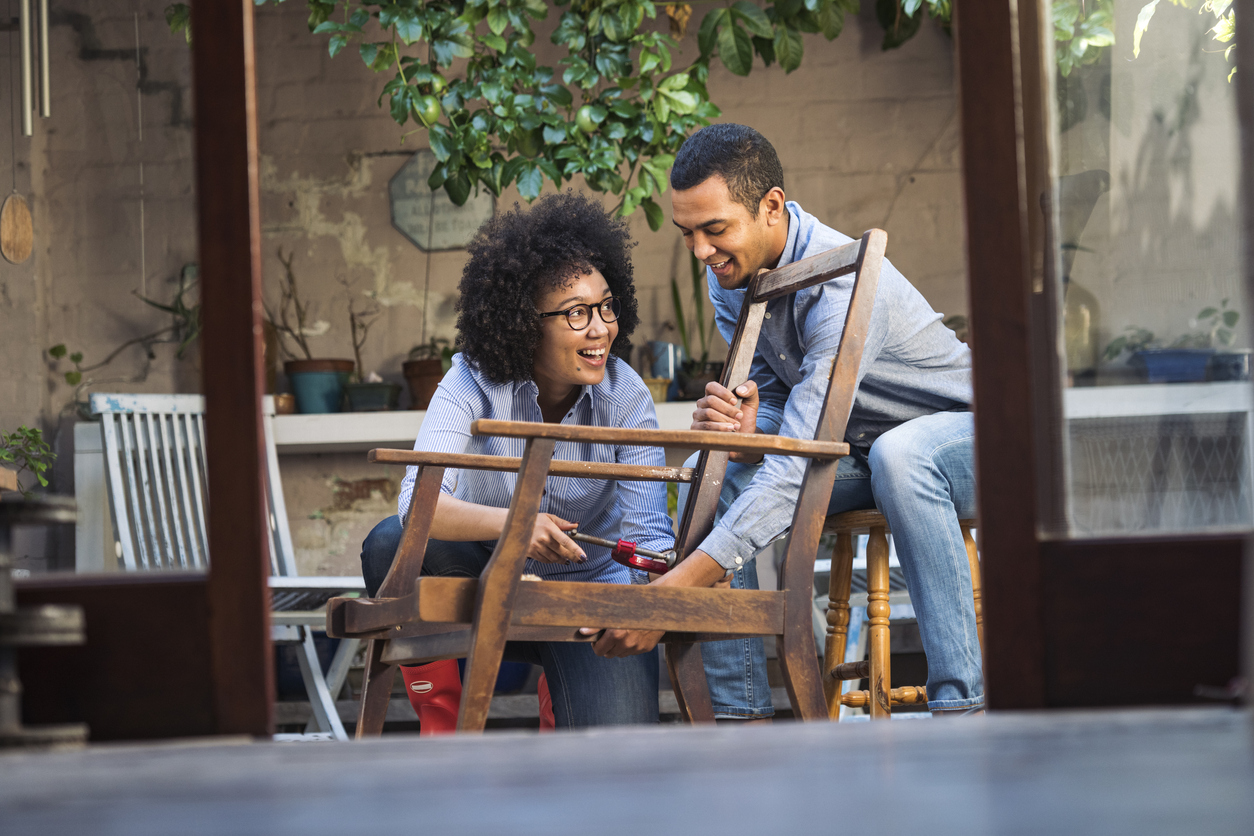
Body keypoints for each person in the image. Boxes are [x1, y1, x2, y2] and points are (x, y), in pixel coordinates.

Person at [581, 123, 983, 718]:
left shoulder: (841, 281)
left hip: (970, 438)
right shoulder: (737, 280)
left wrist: (676, 592)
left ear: (771, 206)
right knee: (708, 470)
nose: (700, 251)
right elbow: (779, 419)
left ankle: (962, 705)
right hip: (859, 450)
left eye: (715, 229)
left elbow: (799, 457)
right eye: (687, 233)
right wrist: (747, 431)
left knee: (904, 454)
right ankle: (740, 719)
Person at [359, 191, 674, 732]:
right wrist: (516, 527)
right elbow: (418, 504)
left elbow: (649, 542)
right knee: (390, 544)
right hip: (484, 576)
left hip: (585, 594)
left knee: (620, 764)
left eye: (606, 306)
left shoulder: (627, 397)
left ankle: (562, 693)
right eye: (577, 313)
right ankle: (447, 732)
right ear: (525, 323)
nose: (601, 329)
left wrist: (618, 612)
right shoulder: (470, 382)